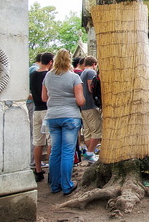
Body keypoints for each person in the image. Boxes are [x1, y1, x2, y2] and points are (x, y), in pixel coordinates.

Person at [42, 49, 85, 195]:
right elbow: (80, 100)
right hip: (70, 117)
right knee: (67, 151)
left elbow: (44, 97)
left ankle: (55, 185)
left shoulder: (48, 76)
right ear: (69, 60)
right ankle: (67, 185)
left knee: (55, 151)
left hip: (52, 116)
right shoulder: (73, 77)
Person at [30, 52, 54, 182]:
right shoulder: (48, 76)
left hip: (36, 110)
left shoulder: (33, 74)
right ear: (50, 62)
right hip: (47, 110)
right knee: (51, 142)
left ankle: (38, 170)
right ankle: (52, 171)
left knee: (38, 142)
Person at [80, 56, 102, 163]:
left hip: (83, 107)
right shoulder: (90, 73)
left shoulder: (83, 72)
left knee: (88, 132)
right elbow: (91, 88)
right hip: (91, 105)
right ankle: (89, 153)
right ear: (94, 64)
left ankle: (90, 153)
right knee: (97, 131)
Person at [28, 53, 42, 166]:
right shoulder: (35, 70)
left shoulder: (32, 69)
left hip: (34, 103)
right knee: (35, 135)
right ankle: (33, 161)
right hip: (33, 103)